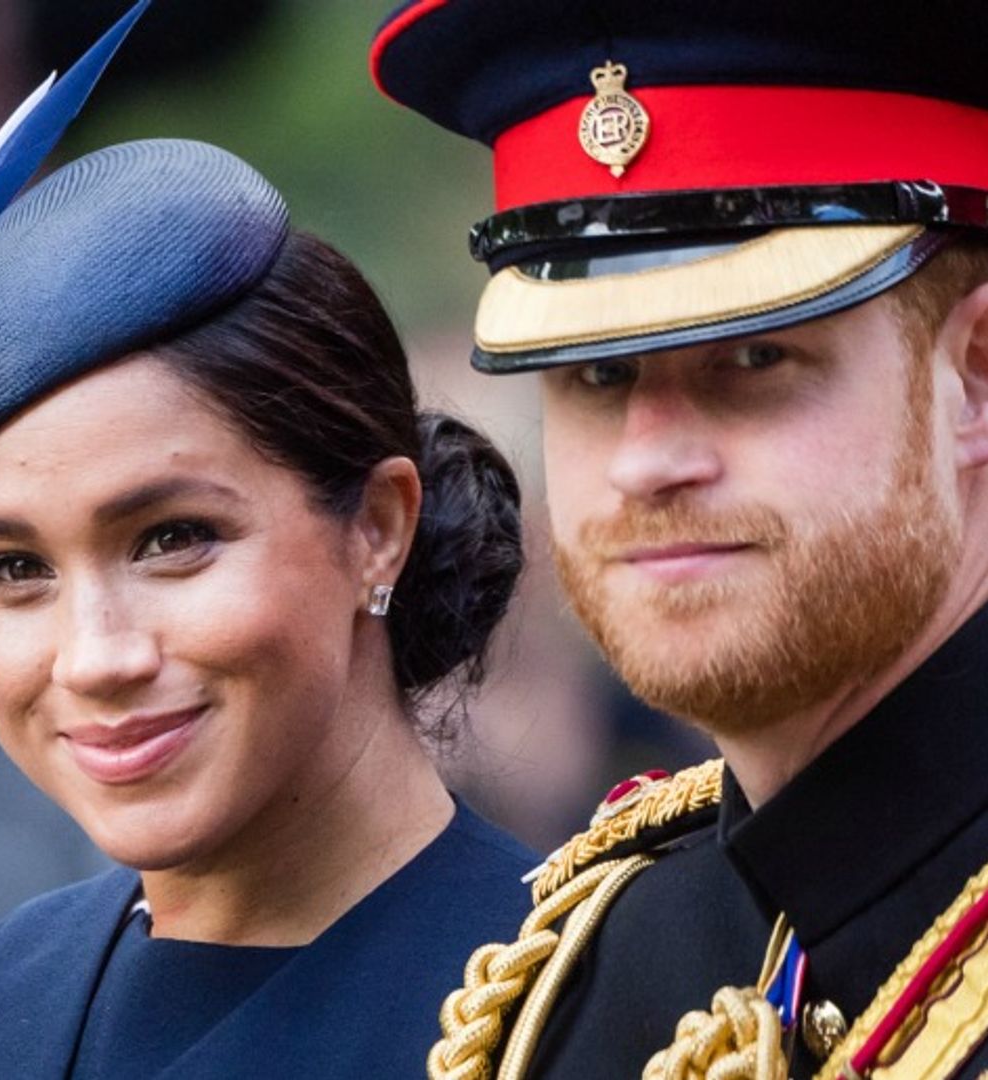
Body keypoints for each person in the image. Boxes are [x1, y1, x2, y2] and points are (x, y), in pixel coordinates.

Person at [370, 2, 988, 1078]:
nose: (648, 461)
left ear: (975, 375)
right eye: (598, 375)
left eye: (752, 360)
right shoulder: (591, 973)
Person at [0, 129, 537, 1077]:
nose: (94, 657)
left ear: (376, 525)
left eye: (172, 540)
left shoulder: (586, 1001)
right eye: (12, 568)